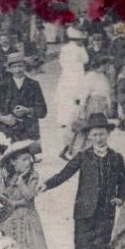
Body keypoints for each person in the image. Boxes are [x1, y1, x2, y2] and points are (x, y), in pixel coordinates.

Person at [40, 112, 125, 249]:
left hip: (106, 213)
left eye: (102, 134)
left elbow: (123, 182)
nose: (98, 138)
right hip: (83, 212)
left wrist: (120, 197)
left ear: (108, 134)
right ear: (89, 136)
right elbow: (64, 174)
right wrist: (46, 184)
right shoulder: (83, 156)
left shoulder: (116, 158)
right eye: (95, 134)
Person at [0, 139, 54, 249]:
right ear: (13, 163)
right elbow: (2, 196)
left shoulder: (33, 176)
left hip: (28, 218)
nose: (27, 162)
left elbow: (29, 197)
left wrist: (21, 184)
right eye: (22, 159)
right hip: (11, 220)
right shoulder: (7, 178)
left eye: (28, 158)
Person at [0, 51, 48, 142]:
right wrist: (2, 118)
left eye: (21, 66)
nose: (18, 70)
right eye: (14, 67)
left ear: (25, 67)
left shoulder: (33, 85)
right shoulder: (1, 85)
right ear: (9, 69)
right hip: (7, 130)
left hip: (29, 131)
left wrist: (28, 110)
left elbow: (43, 111)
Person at [54, 25, 90, 155]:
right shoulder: (80, 49)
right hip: (76, 75)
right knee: (75, 97)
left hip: (66, 75)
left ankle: (64, 120)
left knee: (65, 96)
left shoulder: (64, 48)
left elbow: (62, 63)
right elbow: (86, 60)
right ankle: (72, 120)